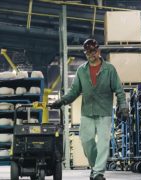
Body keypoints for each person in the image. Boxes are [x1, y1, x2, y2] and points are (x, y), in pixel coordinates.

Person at [50, 38, 128, 180]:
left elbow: (119, 90)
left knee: (103, 143)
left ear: (98, 51)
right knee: (86, 141)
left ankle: (98, 173)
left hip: (104, 111)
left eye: (92, 52)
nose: (90, 55)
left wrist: (123, 106)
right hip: (87, 112)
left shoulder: (109, 69)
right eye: (87, 53)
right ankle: (94, 167)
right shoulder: (81, 70)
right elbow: (74, 91)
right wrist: (61, 101)